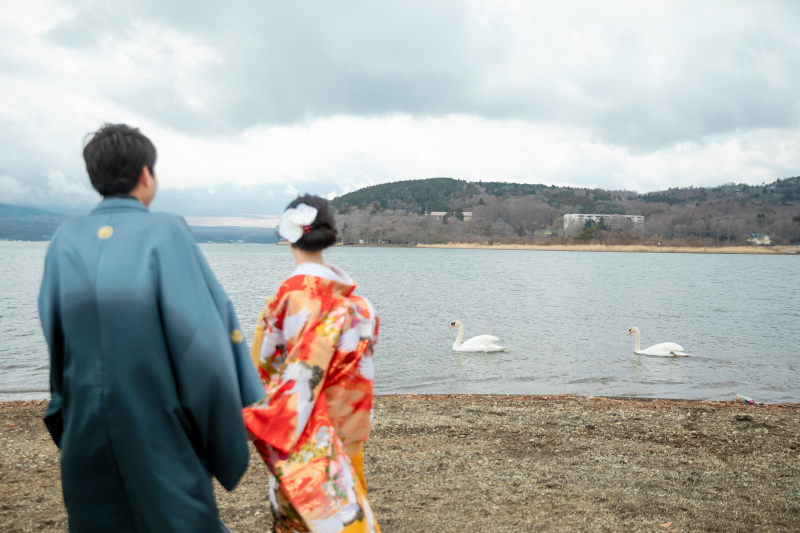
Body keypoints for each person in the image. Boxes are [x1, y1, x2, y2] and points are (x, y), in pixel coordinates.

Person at [38, 124, 264, 533]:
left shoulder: (64, 239)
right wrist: (227, 431)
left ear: (96, 178)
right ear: (146, 175)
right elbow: (204, 342)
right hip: (158, 429)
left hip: (85, 429)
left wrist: (65, 414)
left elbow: (56, 337)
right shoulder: (166, 231)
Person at [243, 195, 381, 533]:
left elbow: (260, 380)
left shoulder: (288, 301)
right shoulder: (363, 307)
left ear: (287, 235)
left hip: (301, 439)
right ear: (329, 233)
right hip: (351, 436)